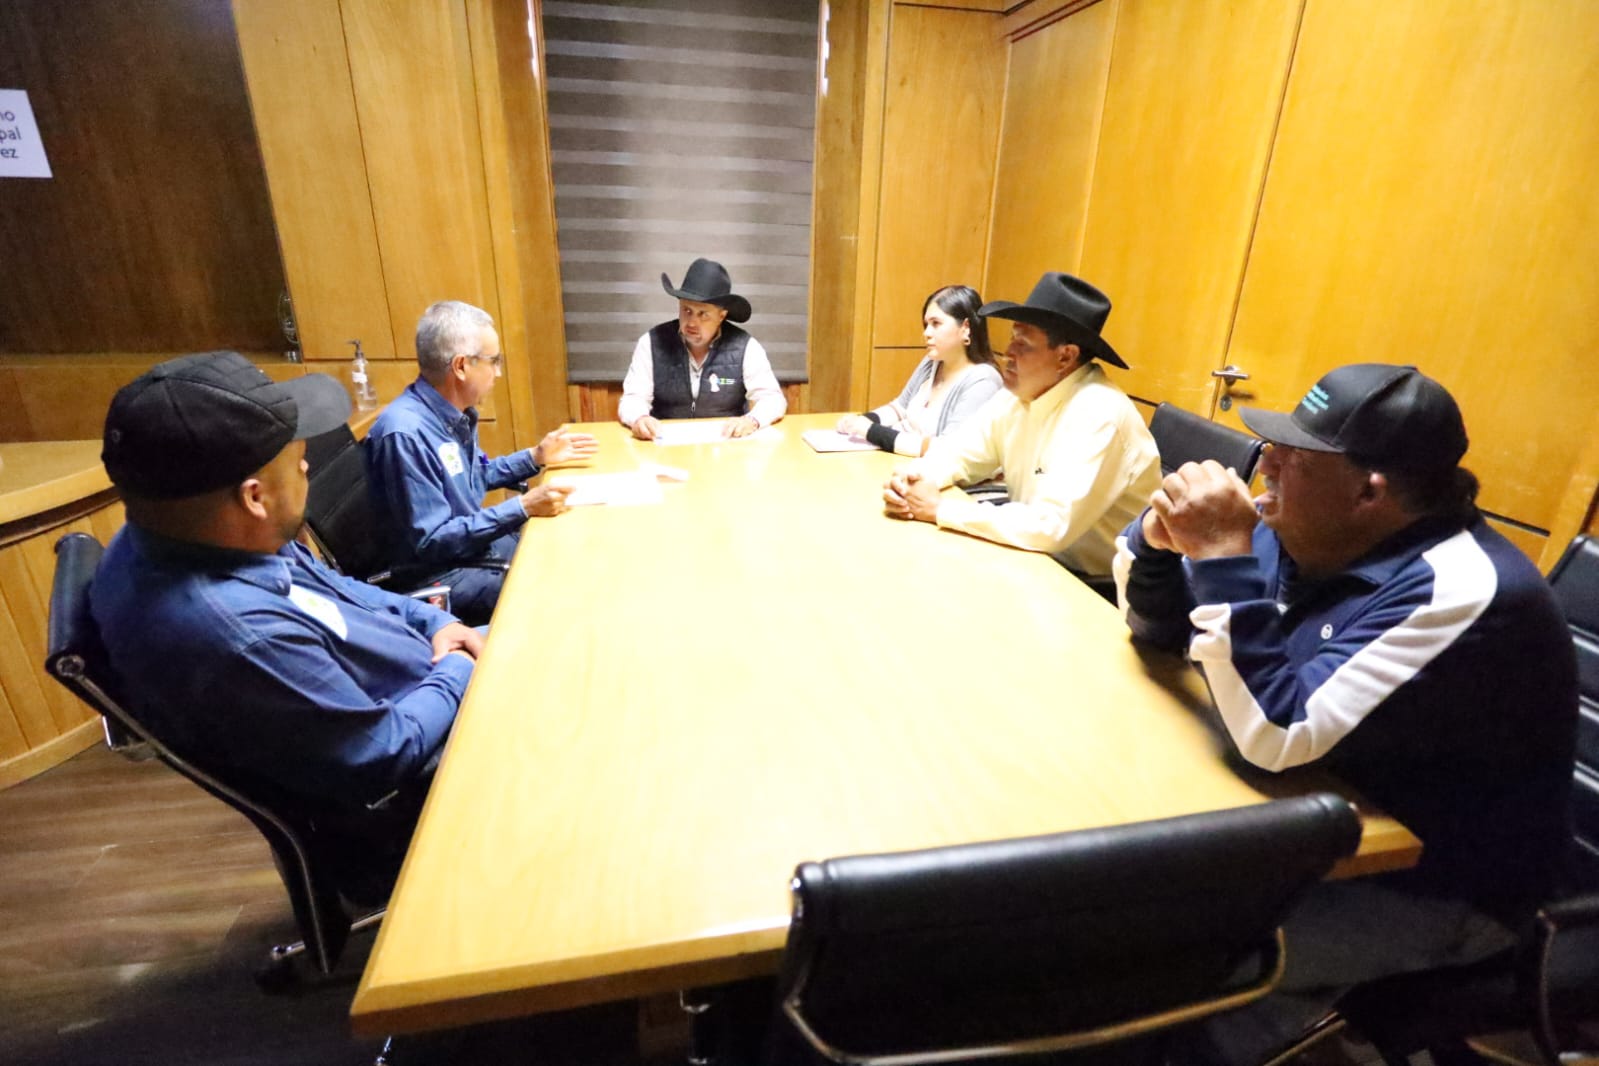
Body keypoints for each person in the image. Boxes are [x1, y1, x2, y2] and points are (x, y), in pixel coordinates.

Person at [1115, 363, 1578, 1050]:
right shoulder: (1303, 527)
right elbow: (1161, 630)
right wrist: (1158, 550)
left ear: (1369, 490)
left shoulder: (1461, 588)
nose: (1266, 462)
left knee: (1148, 942)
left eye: (1295, 456)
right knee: (1115, 894)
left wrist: (1219, 556)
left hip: (1432, 887)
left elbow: (1276, 734)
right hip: (1309, 815)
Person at [92, 351, 486, 891]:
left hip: (426, 683)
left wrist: (432, 622)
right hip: (411, 791)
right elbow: (382, 752)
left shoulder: (199, 534)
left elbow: (340, 588)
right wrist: (458, 667)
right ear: (253, 497)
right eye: (298, 460)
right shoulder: (236, 634)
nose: (306, 469)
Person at [882, 272, 1159, 578]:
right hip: (1033, 556)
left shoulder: (1100, 413)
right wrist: (914, 480)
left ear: (1065, 357)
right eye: (1013, 338)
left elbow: (1049, 525)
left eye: (1023, 344)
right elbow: (961, 452)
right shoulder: (1017, 395)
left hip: (1095, 583)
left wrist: (940, 509)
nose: (1008, 353)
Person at [366, 300, 598, 625]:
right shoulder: (405, 435)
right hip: (438, 574)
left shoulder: (450, 415)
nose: (498, 372)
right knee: (564, 586)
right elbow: (431, 541)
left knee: (573, 545)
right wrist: (522, 507)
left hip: (468, 551)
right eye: (494, 361)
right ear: (461, 366)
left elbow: (473, 476)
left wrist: (536, 456)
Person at [618, 257, 787, 440]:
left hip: (727, 445)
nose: (692, 322)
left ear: (721, 316)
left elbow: (772, 399)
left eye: (703, 314)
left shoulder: (745, 347)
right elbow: (633, 398)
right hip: (665, 443)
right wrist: (639, 418)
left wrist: (752, 420)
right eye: (687, 310)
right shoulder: (652, 342)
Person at [836, 284, 1004, 457]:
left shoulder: (984, 380)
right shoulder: (933, 361)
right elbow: (900, 407)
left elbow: (948, 449)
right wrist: (862, 420)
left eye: (936, 324)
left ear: (966, 328)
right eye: (926, 325)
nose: (926, 333)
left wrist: (870, 431)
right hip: (899, 460)